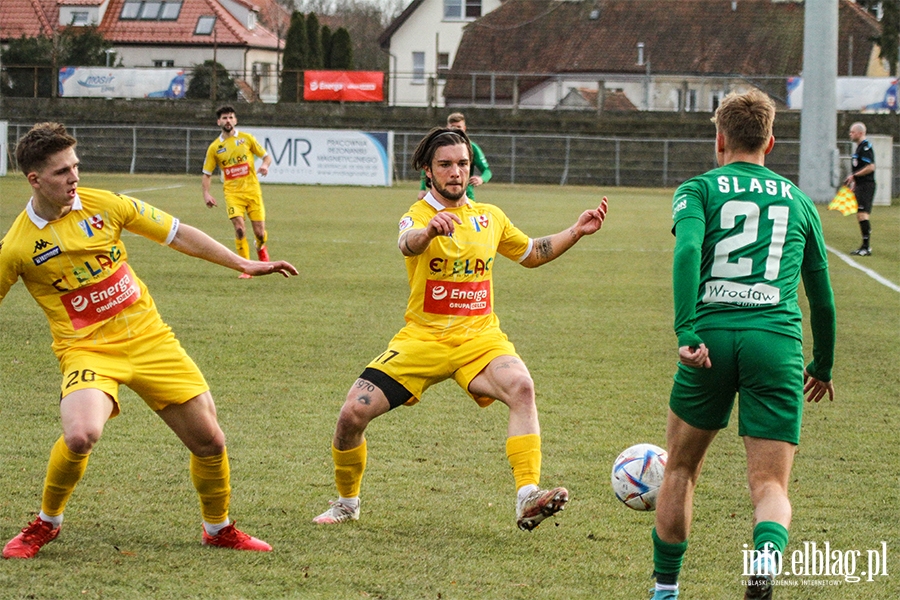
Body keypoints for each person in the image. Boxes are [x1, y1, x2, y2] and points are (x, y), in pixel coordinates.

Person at [1, 123, 299, 559]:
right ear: (35, 179)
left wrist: (244, 263)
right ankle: (46, 524)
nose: (75, 177)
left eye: (76, 166)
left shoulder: (104, 205)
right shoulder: (17, 247)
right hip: (88, 351)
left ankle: (218, 528)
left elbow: (177, 233)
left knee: (210, 441)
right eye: (63, 171)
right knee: (82, 434)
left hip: (151, 340)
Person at [314, 127, 608, 531]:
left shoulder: (491, 217)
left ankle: (527, 496)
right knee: (351, 415)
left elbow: (531, 254)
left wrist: (575, 231)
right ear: (427, 170)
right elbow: (408, 242)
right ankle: (347, 504)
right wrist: (429, 230)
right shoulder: (417, 215)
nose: (455, 172)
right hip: (423, 340)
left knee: (522, 387)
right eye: (445, 164)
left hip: (479, 340)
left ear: (472, 169)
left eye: (462, 164)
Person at [647, 90, 836, 600]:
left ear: (720, 139)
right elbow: (822, 297)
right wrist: (823, 363)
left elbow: (687, 250)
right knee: (770, 486)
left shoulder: (697, 190)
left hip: (708, 338)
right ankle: (765, 560)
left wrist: (686, 330)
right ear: (771, 142)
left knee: (680, 469)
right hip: (775, 343)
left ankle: (666, 591)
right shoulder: (798, 201)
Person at [202, 105, 273, 278]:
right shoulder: (215, 148)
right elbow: (207, 174)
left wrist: (264, 165)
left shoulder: (246, 138)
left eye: (230, 117)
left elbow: (266, 156)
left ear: (235, 120)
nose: (228, 120)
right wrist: (206, 194)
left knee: (259, 233)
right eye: (224, 118)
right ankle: (246, 268)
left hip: (252, 192)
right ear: (219, 122)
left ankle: (260, 247)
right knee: (240, 229)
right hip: (232, 195)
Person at [418, 112, 492, 200]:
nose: (456, 130)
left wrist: (481, 179)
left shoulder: (472, 148)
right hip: (440, 195)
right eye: (445, 164)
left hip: (466, 195)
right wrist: (422, 188)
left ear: (464, 128)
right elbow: (426, 167)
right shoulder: (438, 146)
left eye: (462, 163)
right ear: (447, 127)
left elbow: (487, 171)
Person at [843, 121, 875, 256]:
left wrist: (853, 175)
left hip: (867, 185)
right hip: (860, 185)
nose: (850, 134)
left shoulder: (866, 147)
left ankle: (866, 247)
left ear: (860, 133)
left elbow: (871, 167)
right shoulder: (858, 148)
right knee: (860, 215)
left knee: (863, 214)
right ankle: (864, 246)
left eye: (853, 132)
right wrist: (854, 182)